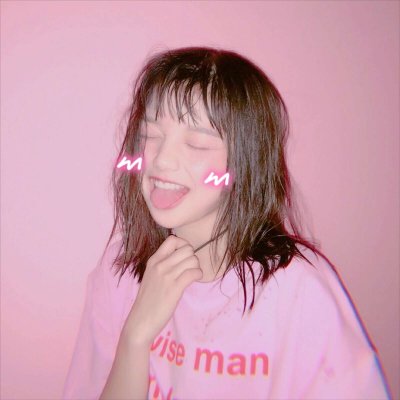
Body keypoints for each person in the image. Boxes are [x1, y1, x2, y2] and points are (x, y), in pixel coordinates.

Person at [62, 46, 391, 400]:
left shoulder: (298, 290)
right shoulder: (121, 272)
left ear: (244, 163)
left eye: (196, 144)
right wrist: (136, 336)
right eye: (150, 136)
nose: (162, 161)